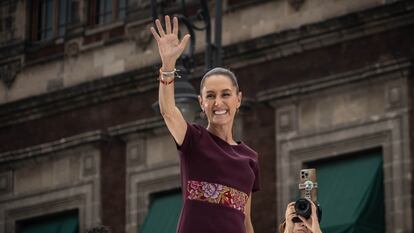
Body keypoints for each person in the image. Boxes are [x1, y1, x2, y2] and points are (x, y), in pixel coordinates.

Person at [150, 15, 260, 233]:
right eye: (210, 96)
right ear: (202, 102)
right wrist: (168, 66)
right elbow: (169, 112)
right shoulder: (194, 139)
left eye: (225, 94)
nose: (218, 102)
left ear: (238, 99)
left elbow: (246, 221)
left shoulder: (250, 158)